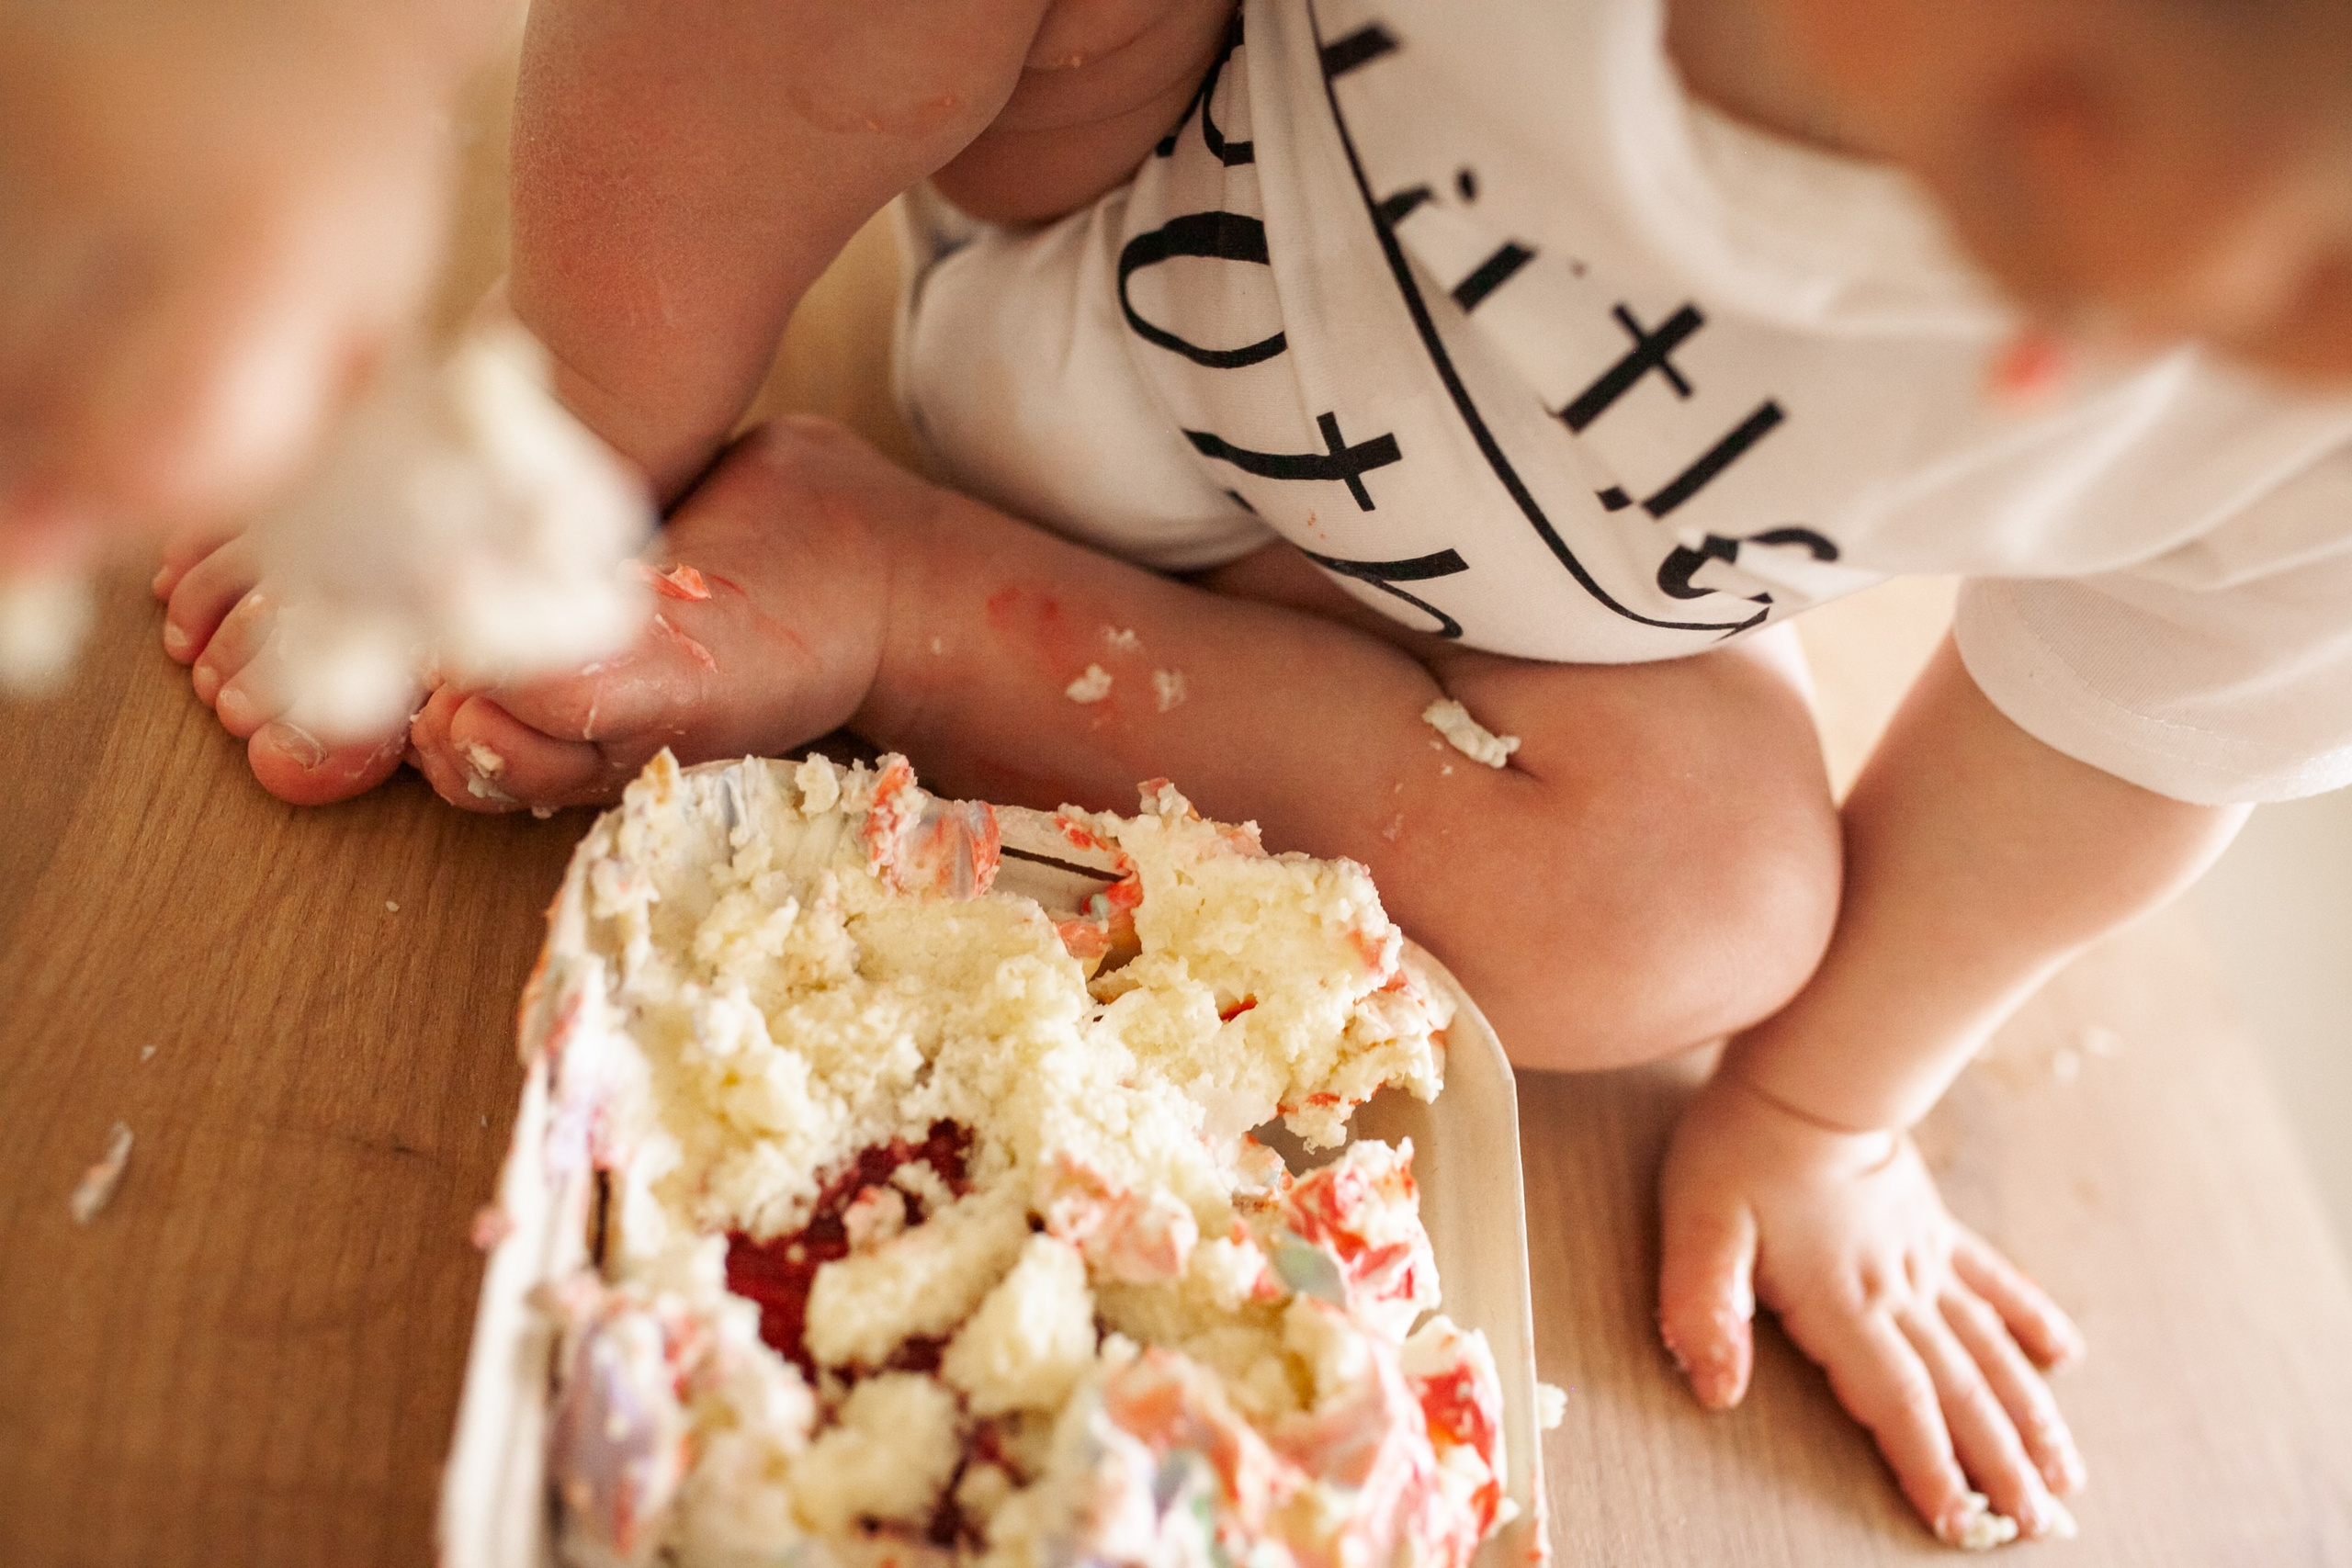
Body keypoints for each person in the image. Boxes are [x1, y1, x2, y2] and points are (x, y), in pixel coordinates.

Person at [19, 0, 2352, 1548]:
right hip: (1084, 154)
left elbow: (2138, 706)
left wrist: (1827, 1102)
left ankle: (903, 592)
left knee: (1704, 904)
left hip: (1423, 640)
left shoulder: (2294, 368)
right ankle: (572, 435)